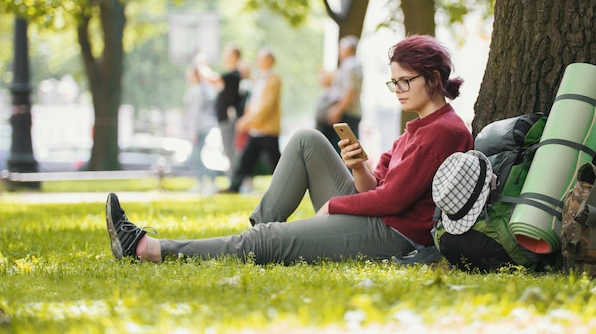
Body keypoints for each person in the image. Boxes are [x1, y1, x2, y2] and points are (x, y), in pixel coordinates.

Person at [105, 34, 474, 265]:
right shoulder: (415, 127)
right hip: (381, 216)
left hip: (398, 235)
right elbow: (375, 188)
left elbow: (393, 201)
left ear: (434, 79)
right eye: (394, 82)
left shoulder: (443, 130)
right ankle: (257, 239)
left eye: (405, 81)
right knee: (305, 139)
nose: (399, 89)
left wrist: (336, 204)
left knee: (269, 240)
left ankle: (146, 249)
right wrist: (358, 167)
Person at [220, 48, 282, 193]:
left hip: (267, 129)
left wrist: (248, 121)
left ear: (269, 61)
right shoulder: (258, 79)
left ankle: (286, 186)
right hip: (255, 129)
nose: (257, 61)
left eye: (261, 59)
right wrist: (246, 120)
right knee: (245, 160)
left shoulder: (274, 79)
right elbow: (253, 102)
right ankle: (234, 187)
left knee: (276, 162)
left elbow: (266, 106)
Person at [315, 35, 363, 151]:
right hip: (347, 114)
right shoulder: (351, 65)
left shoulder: (350, 66)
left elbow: (350, 91)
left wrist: (337, 110)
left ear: (347, 49)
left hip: (346, 115)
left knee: (344, 150)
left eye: (341, 48)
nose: (339, 52)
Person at [183, 63, 218, 194]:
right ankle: (208, 181)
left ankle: (205, 181)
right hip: (205, 126)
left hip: (199, 128)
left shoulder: (197, 91)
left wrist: (193, 132)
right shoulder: (206, 90)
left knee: (196, 156)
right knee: (198, 156)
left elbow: (195, 113)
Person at [212, 45, 243, 177]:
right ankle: (233, 178)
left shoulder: (234, 75)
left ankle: (234, 180)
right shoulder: (232, 76)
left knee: (231, 150)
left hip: (229, 119)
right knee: (228, 150)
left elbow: (213, 79)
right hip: (224, 118)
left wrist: (201, 65)